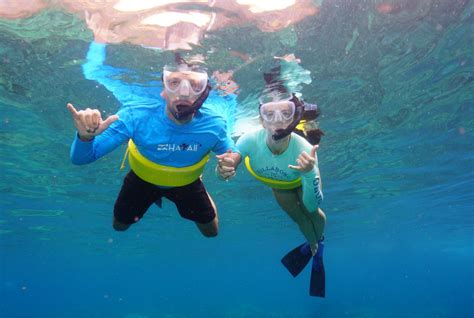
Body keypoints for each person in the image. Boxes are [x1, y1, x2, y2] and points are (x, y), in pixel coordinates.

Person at [68, 53, 240, 237]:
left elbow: (232, 152)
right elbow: (80, 159)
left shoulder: (214, 124)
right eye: (174, 82)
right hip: (142, 179)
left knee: (211, 232)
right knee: (119, 226)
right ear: (163, 90)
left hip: (187, 182)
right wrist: (85, 137)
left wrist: (231, 162)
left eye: (195, 85)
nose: (183, 92)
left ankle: (201, 187)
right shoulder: (136, 116)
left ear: (205, 92)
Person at [216, 61, 327, 296]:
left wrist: (308, 173)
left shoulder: (304, 149)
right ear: (261, 119)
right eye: (269, 113)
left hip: (302, 180)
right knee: (299, 219)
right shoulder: (249, 139)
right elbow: (233, 159)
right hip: (279, 185)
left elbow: (313, 204)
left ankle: (319, 244)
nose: (277, 119)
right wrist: (225, 169)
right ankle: (313, 246)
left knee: (311, 213)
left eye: (286, 112)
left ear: (295, 117)